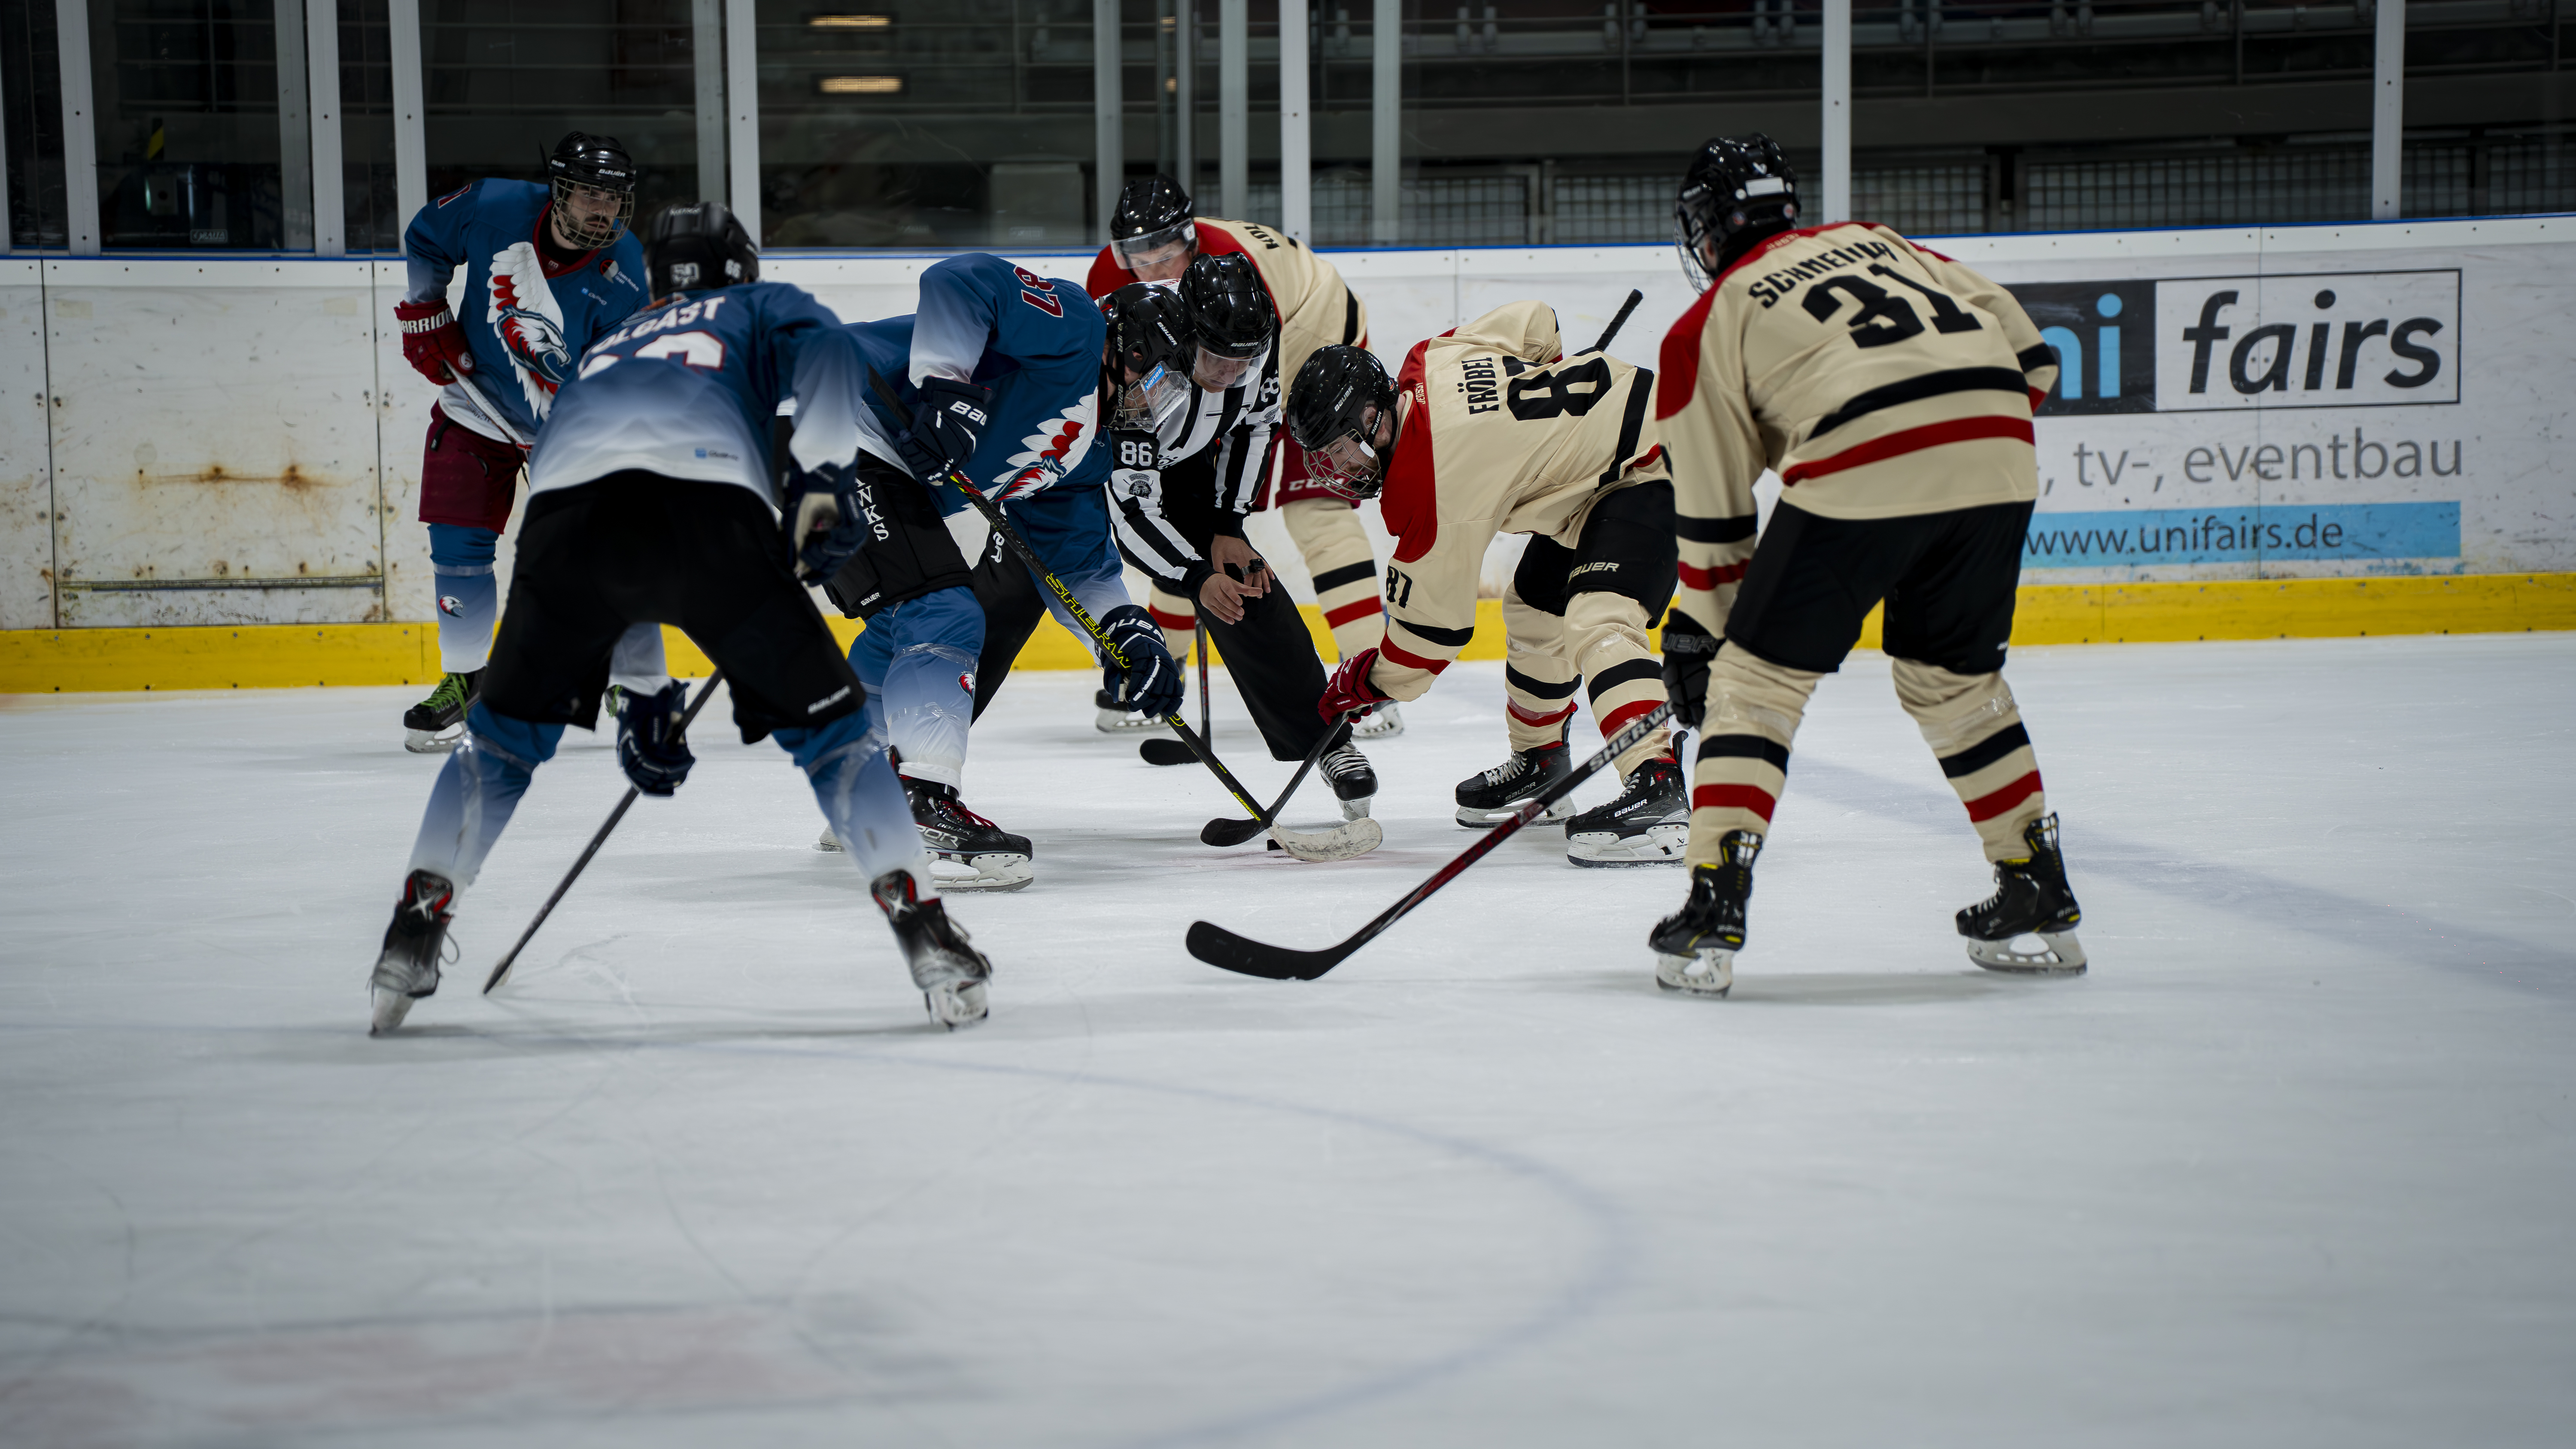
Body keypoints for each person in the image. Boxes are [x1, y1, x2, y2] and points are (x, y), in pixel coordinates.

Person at [365, 203, 992, 1036]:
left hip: (563, 523)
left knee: (501, 746)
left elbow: (615, 529)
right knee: (838, 743)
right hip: (709, 508)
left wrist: (647, 690)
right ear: (739, 267)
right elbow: (833, 353)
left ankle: (415, 925)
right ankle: (928, 933)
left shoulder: (607, 346)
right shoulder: (757, 308)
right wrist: (825, 476)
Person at [1648, 133, 2085, 999]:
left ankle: (1714, 897)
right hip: (2000, 449)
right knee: (1951, 679)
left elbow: (1717, 518)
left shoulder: (1707, 320)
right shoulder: (1884, 241)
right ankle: (2036, 877)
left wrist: (1702, 638)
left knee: (1758, 686)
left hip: (1866, 457)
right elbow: (2037, 359)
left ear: (1704, 232)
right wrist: (1949, 443)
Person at [817, 254, 1185, 891]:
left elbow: (1078, 565)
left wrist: (1129, 631)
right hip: (833, 410)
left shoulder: (1087, 453)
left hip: (868, 457)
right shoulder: (1076, 328)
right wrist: (944, 387)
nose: (1157, 404)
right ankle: (923, 801)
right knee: (946, 612)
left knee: (903, 624)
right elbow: (959, 281)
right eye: (1155, 382)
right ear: (1126, 353)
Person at [1293, 303, 1683, 866]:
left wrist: (1368, 682)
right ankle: (1541, 759)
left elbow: (1430, 639)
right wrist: (1545, 418)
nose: (1340, 473)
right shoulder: (1431, 358)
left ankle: (1659, 788)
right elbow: (1536, 322)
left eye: (1341, 452)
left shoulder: (1427, 488)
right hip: (1601, 477)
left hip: (1660, 463)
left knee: (1599, 620)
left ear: (1374, 419)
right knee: (1533, 612)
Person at [1084, 174, 1403, 739]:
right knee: (1184, 514)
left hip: (1309, 326)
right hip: (1228, 352)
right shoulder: (1112, 286)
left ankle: (1372, 683)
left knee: (1317, 508)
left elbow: (1249, 393)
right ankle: (1164, 665)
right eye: (1141, 257)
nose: (1156, 270)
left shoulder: (1238, 281)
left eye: (1169, 253)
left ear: (1193, 240)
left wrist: (1225, 515)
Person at [391, 131, 665, 752]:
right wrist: (426, 310)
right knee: (457, 547)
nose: (605, 210)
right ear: (560, 190)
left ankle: (634, 679)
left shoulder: (624, 271)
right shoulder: (490, 207)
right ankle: (466, 681)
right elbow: (425, 239)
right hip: (475, 408)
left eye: (616, 198)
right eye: (592, 194)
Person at [1099, 262, 1377, 817]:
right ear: (1185, 337)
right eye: (1216, 360)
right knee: (1005, 592)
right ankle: (913, 763)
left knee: (1245, 582)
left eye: (1244, 360)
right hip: (1077, 463)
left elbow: (1254, 427)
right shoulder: (1146, 354)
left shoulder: (1257, 339)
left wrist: (1229, 526)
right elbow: (1131, 505)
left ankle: (1324, 742)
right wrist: (1193, 575)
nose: (1231, 373)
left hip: (1184, 455)